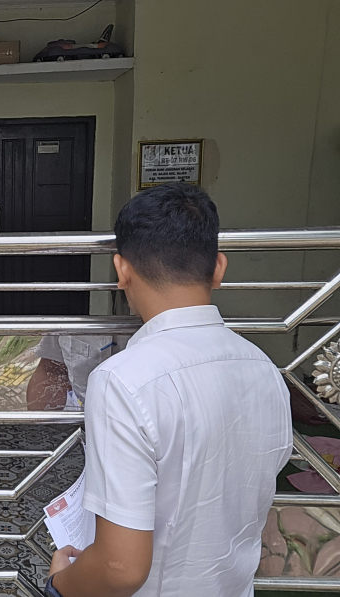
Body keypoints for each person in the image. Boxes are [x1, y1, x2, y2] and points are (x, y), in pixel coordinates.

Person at [46, 183, 292, 597]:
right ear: (218, 268)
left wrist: (59, 584)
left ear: (122, 270)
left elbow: (120, 568)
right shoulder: (265, 370)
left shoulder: (123, 380)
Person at [27, 335, 128, 411]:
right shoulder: (70, 319)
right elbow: (51, 371)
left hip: (131, 417)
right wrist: (42, 427)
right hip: (82, 414)